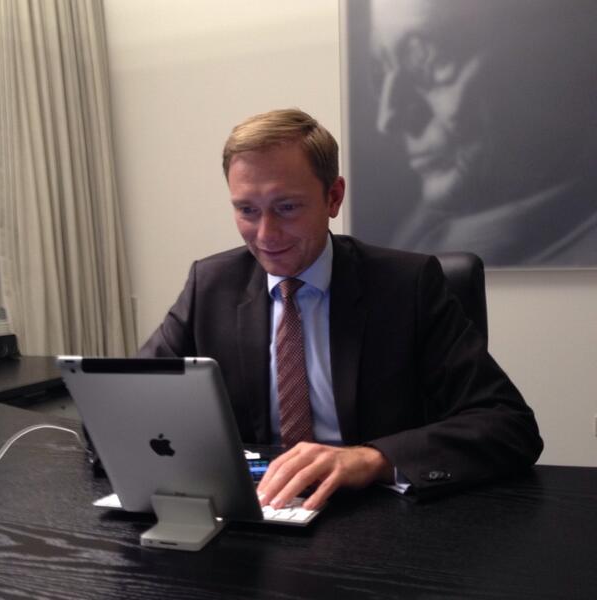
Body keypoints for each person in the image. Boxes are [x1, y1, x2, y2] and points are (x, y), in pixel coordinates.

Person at [139, 108, 543, 511]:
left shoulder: (408, 285)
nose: (265, 235)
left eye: (286, 207)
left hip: (377, 516)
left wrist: (372, 459)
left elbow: (508, 424)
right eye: (247, 210)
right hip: (256, 512)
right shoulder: (211, 285)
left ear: (333, 197)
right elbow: (132, 399)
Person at [367, 0, 597, 267]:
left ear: (545, 59)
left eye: (432, 61)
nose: (388, 119)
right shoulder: (416, 233)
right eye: (380, 70)